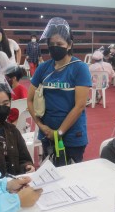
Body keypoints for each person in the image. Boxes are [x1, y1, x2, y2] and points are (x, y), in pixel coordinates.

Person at [27, 17, 92, 167]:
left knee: (72, 177)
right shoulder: (43, 68)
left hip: (72, 136)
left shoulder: (79, 68)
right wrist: (41, 126)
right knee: (50, 176)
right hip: (47, 134)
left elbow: (80, 105)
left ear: (69, 45)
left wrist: (59, 132)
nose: (55, 48)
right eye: (51, 45)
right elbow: (29, 100)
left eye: (60, 44)